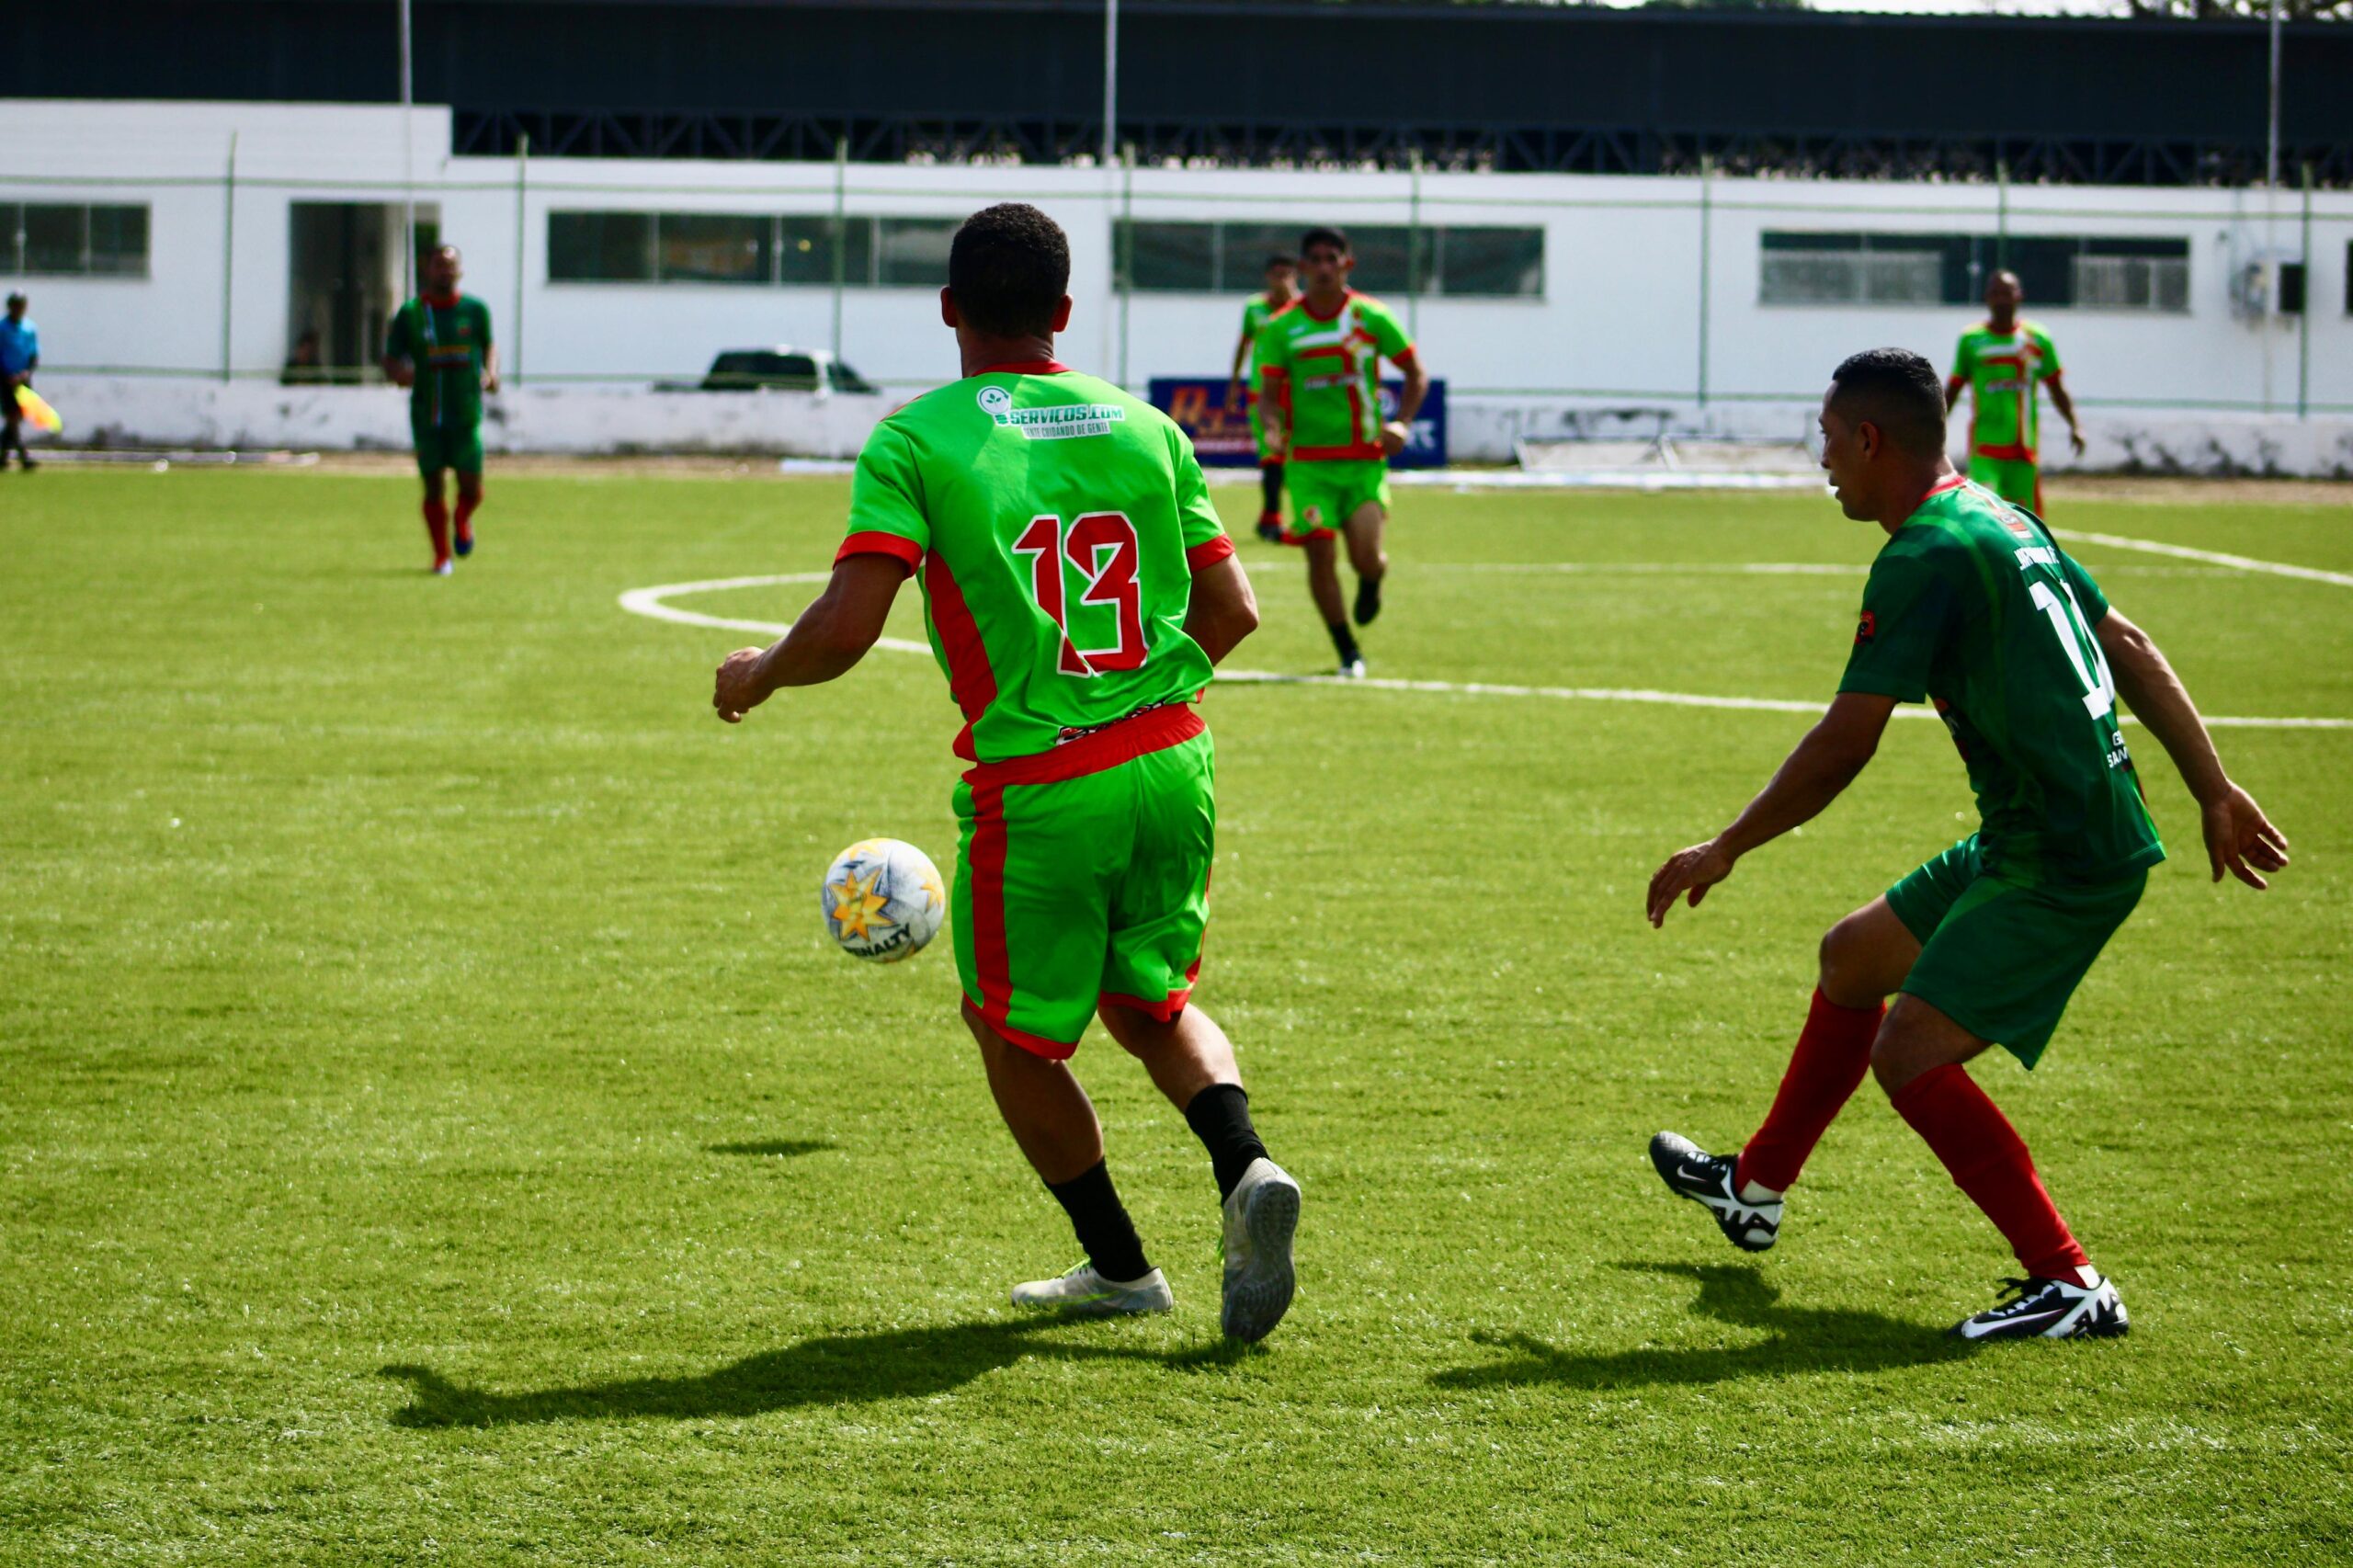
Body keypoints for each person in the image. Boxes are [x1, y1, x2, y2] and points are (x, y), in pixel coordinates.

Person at [710, 203, 1302, 1343]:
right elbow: (1234, 610)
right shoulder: (1144, 427)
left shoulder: (916, 440)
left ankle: (1122, 1267)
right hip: (1174, 757)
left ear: (947, 309)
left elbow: (843, 627)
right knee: (1152, 998)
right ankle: (1245, 1164)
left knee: (1012, 1034)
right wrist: (1131, 698)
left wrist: (760, 672)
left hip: (1042, 784)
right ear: (1064, 313)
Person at [1644, 347, 2287, 1341]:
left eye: (1826, 438)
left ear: (1868, 438)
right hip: (2030, 832)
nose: (1821, 460)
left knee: (1910, 1053)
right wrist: (2211, 788)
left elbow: (1843, 742)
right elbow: (2130, 644)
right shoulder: (1998, 513)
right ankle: (1754, 1188)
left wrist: (1726, 844)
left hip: (2064, 854)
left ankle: (2069, 1279)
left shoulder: (1923, 554)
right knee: (1853, 958)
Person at [1254, 226, 1428, 678]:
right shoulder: (1281, 328)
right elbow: (1268, 395)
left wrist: (1401, 423)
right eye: (1316, 259)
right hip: (1308, 464)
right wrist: (1271, 428)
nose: (1325, 267)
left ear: (1347, 264)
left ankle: (1372, 580)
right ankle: (1347, 648)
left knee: (1365, 557)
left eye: (1334, 258)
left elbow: (1415, 373)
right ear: (1304, 268)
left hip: (1363, 461)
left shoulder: (1372, 317)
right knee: (1319, 554)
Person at [382, 245, 497, 575]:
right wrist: (399, 373)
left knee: (472, 489)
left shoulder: (475, 310)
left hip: (465, 415)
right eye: (439, 265)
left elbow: (489, 345)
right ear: (427, 269)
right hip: (427, 418)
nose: (445, 271)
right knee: (433, 487)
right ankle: (441, 556)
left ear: (459, 270)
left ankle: (462, 518)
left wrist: (490, 372)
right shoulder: (412, 313)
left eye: (451, 265)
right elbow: (390, 358)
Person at [1945, 269, 2084, 515]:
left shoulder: (2037, 339)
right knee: (1983, 514)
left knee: (2027, 522)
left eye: (2007, 293)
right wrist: (1936, 429)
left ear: (2019, 296)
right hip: (1985, 448)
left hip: (2024, 451)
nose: (2001, 299)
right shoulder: (1972, 340)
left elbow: (2056, 387)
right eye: (1996, 293)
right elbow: (1953, 389)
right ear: (1987, 297)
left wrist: (2075, 425)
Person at [1226, 254, 1298, 544]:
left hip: (1297, 394)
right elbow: (1243, 345)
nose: (1281, 279)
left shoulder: (1302, 310)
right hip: (1262, 393)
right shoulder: (1255, 308)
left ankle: (1295, 518)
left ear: (1296, 276)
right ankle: (1272, 517)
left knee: (1295, 457)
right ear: (1268, 277)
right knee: (1271, 455)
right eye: (1276, 273)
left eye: (1287, 273)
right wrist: (1234, 383)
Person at [0, 291, 40, 472]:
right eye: (15, 305)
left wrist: (25, 373)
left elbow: (34, 355)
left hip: (23, 380)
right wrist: (7, 376)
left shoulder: (29, 328)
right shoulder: (2, 328)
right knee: (12, 417)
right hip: (5, 380)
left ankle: (2, 457)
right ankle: (24, 457)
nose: (18, 309)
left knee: (16, 418)